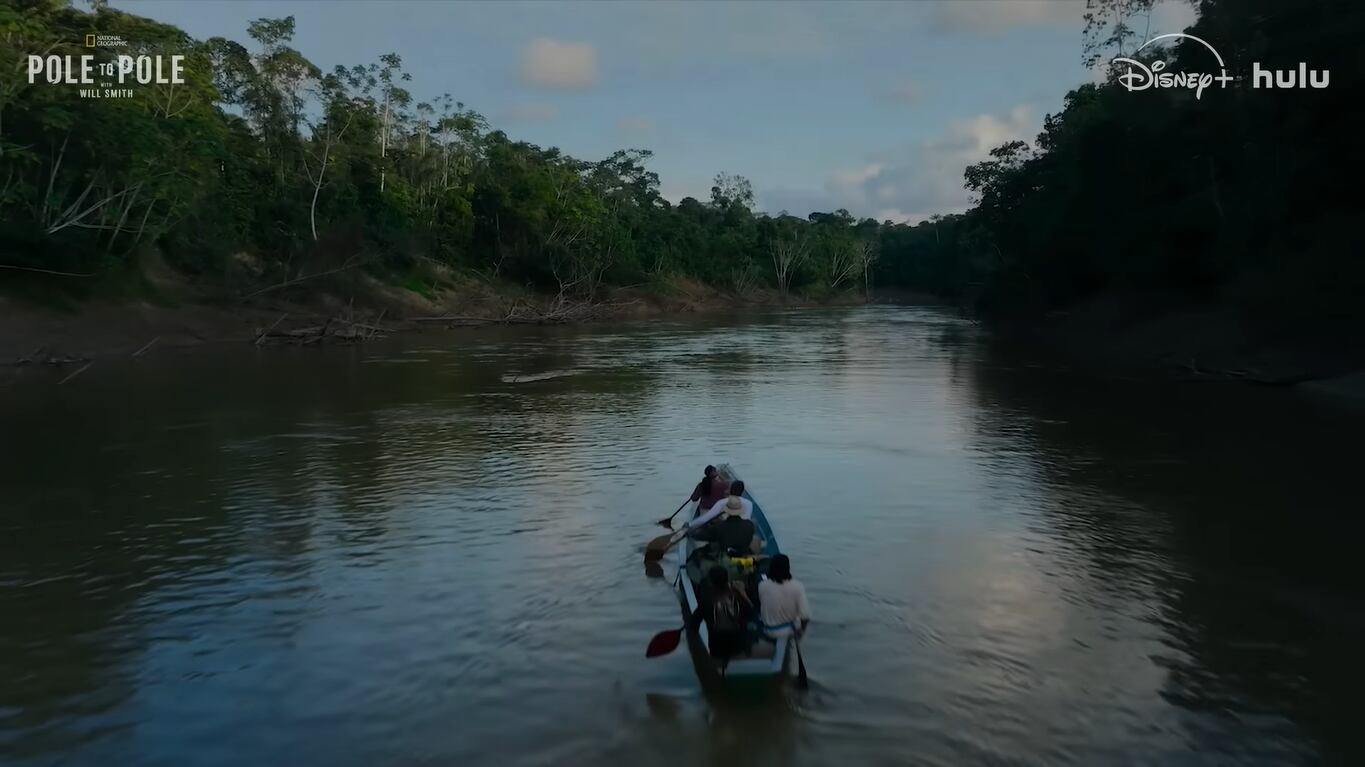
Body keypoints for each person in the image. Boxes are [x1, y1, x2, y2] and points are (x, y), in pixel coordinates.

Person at [689, 565, 753, 664]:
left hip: (716, 649)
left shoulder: (706, 600)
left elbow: (694, 624)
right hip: (738, 646)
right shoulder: (736, 596)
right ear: (727, 580)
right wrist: (742, 591)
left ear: (710, 582)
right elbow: (750, 613)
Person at [757, 554, 810, 640]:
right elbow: (805, 617)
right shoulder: (798, 586)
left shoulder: (762, 585)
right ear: (788, 568)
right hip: (788, 632)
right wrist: (801, 631)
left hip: (767, 631)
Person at [683, 479, 751, 532]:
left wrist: (690, 524)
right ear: (742, 491)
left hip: (726, 531)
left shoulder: (722, 502)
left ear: (730, 490)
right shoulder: (749, 503)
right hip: (745, 530)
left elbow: (706, 518)